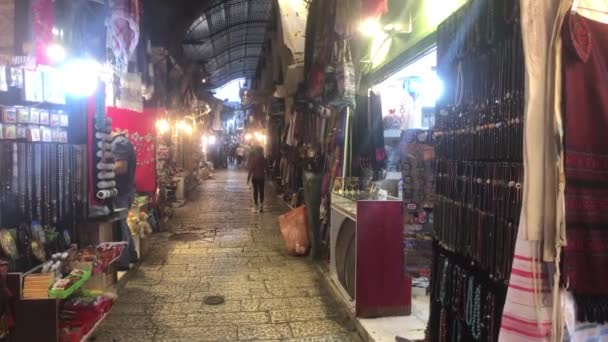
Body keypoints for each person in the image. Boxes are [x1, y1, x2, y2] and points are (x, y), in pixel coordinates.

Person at [112, 133, 139, 270]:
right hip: (127, 189)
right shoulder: (123, 141)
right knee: (123, 223)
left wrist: (100, 170)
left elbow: (121, 167)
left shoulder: (118, 143)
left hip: (121, 191)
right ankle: (132, 254)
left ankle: (123, 261)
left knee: (120, 225)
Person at [247, 146, 266, 212]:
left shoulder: (254, 159)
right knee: (261, 191)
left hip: (255, 177)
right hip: (262, 177)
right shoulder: (264, 159)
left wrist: (248, 178)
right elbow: (267, 168)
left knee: (255, 191)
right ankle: (261, 206)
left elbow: (251, 169)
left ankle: (255, 206)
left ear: (257, 152)